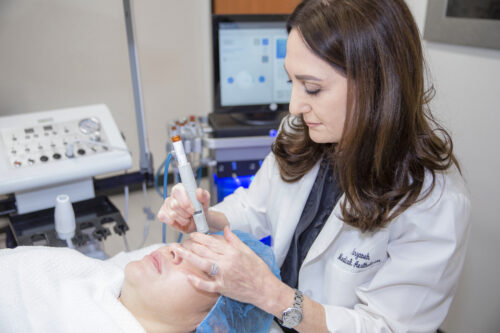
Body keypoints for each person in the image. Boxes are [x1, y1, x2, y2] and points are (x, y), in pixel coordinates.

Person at [157, 0, 471, 332]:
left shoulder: (434, 204)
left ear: (376, 85)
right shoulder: (302, 134)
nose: (295, 105)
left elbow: (386, 327)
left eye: (312, 88)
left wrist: (269, 293)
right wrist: (206, 217)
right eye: (291, 82)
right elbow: (254, 207)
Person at [0, 231, 280, 333]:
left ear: (216, 322)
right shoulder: (92, 274)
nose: (174, 249)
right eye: (186, 244)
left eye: (202, 265)